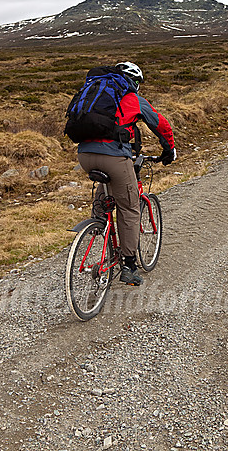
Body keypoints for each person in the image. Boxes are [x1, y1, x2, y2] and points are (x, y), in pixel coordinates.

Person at [77, 61, 176, 286]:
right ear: (134, 82)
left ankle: (99, 221)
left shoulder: (95, 95)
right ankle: (130, 266)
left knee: (108, 186)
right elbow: (161, 125)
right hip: (113, 157)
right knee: (129, 207)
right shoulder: (132, 99)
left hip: (84, 155)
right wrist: (169, 150)